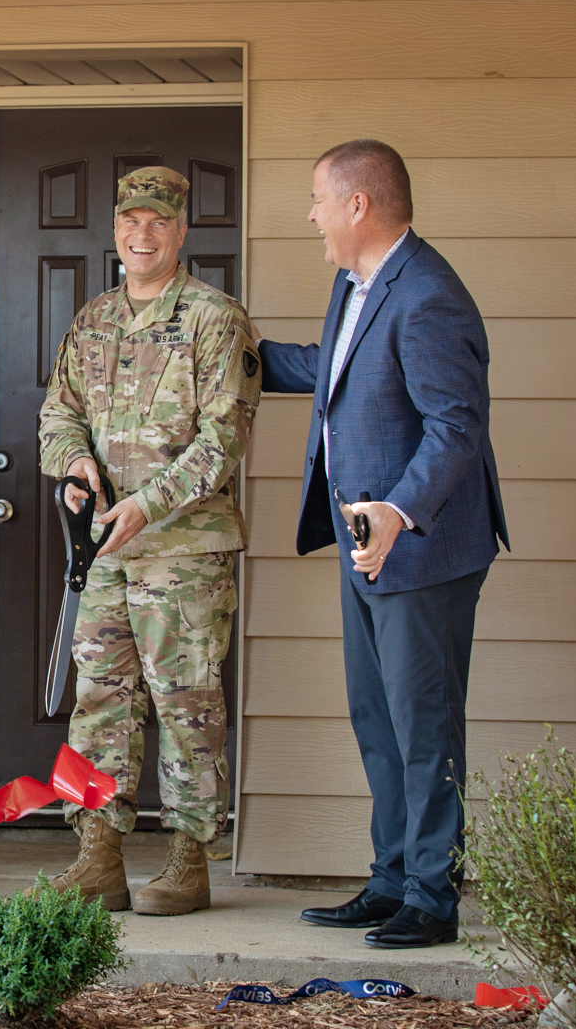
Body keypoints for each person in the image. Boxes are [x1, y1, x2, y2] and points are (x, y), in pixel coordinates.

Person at [258, 139, 507, 949]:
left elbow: (456, 424)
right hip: (365, 544)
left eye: (319, 200)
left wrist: (400, 510)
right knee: (378, 717)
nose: (311, 216)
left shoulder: (429, 293)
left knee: (422, 722)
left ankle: (433, 897)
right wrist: (222, 347)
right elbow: (323, 371)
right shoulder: (356, 283)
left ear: (358, 205)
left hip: (420, 548)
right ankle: (393, 876)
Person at [35, 166, 262, 916]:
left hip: (184, 553)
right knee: (100, 701)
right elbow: (58, 412)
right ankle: (97, 855)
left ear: (181, 232)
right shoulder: (94, 320)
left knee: (186, 702)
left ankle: (188, 858)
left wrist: (147, 503)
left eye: (158, 222)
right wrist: (72, 462)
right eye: (131, 220)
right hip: (104, 551)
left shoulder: (213, 318)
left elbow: (224, 438)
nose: (143, 234)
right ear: (114, 229)